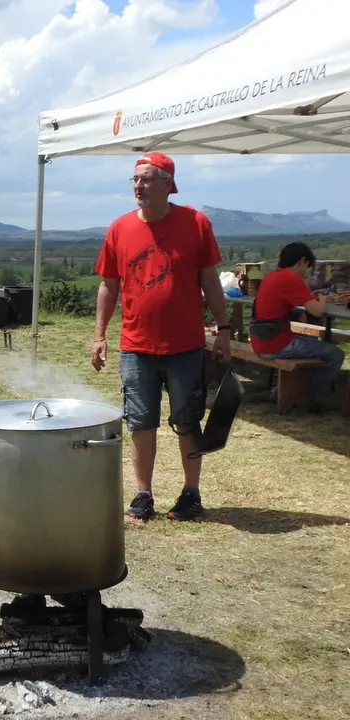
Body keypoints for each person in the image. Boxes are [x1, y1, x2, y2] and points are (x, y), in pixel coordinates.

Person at [91, 152, 232, 522]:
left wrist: (224, 328)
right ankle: (143, 494)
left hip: (184, 345)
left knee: (187, 421)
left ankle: (191, 493)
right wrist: (99, 335)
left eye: (148, 179)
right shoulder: (119, 228)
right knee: (140, 422)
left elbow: (210, 281)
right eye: (135, 179)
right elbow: (109, 285)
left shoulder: (195, 223)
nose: (139, 186)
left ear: (169, 184)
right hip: (136, 347)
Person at [249, 242, 345, 411]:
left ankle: (281, 392)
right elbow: (317, 312)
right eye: (307, 266)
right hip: (276, 343)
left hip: (260, 339)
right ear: (301, 261)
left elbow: (287, 301)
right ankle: (306, 397)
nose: (306, 271)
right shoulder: (292, 278)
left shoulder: (273, 276)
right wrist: (323, 298)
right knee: (335, 354)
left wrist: (309, 296)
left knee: (310, 342)